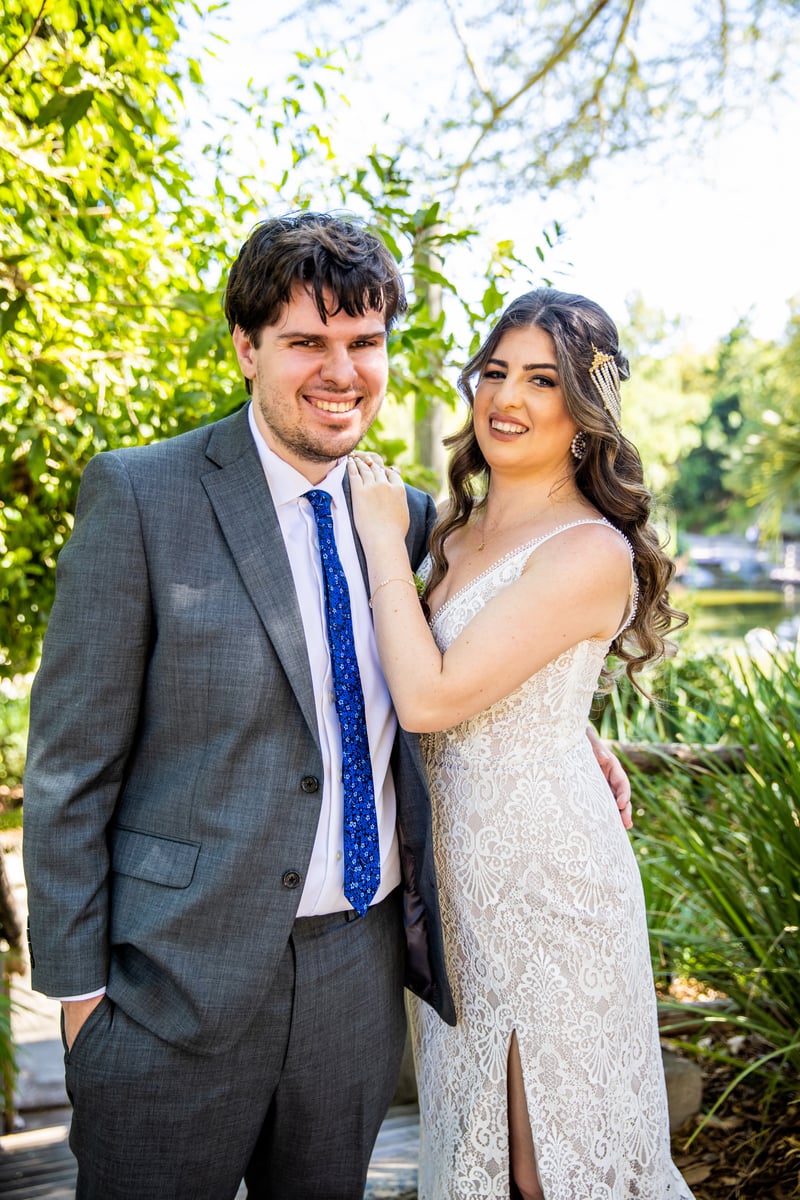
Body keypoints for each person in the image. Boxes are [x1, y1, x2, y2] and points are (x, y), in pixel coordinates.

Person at [22, 214, 630, 1200]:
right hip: (169, 982)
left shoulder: (412, 523)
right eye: (307, 341)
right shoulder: (142, 496)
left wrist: (571, 730)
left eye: (364, 342)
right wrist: (80, 994)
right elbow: (68, 764)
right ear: (246, 347)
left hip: (357, 976)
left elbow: (474, 655)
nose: (340, 372)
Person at [348, 287, 694, 1200]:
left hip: (549, 883)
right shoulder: (454, 529)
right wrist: (574, 722)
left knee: (549, 1166)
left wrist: (381, 542)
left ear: (585, 411)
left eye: (543, 380)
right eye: (496, 372)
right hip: (454, 885)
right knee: (476, 1154)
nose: (507, 397)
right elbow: (499, 670)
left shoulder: (589, 550)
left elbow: (429, 697)